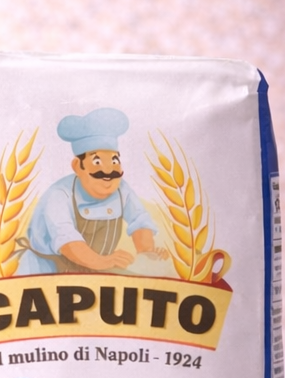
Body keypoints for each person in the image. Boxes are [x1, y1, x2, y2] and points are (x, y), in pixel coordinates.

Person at [17, 107, 170, 275]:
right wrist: (103, 261)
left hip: (94, 270)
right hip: (46, 271)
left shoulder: (122, 189)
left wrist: (147, 252)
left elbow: (139, 220)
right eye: (97, 161)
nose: (108, 170)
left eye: (114, 160)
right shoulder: (59, 195)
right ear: (77, 166)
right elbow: (66, 239)